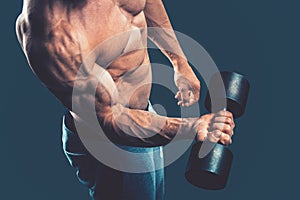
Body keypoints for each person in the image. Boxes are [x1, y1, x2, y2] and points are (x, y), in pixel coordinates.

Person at [16, 0, 235, 199]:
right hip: (110, 143)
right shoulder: (51, 35)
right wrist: (192, 127)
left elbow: (144, 4)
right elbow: (109, 118)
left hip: (144, 117)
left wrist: (180, 63)